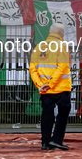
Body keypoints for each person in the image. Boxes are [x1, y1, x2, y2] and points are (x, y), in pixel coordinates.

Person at [29, 23, 71, 151]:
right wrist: (51, 83)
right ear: (61, 33)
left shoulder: (38, 47)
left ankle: (45, 142)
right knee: (63, 112)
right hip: (61, 88)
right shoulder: (62, 46)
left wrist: (41, 85)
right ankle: (57, 140)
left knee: (47, 114)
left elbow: (32, 69)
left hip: (45, 90)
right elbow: (62, 66)